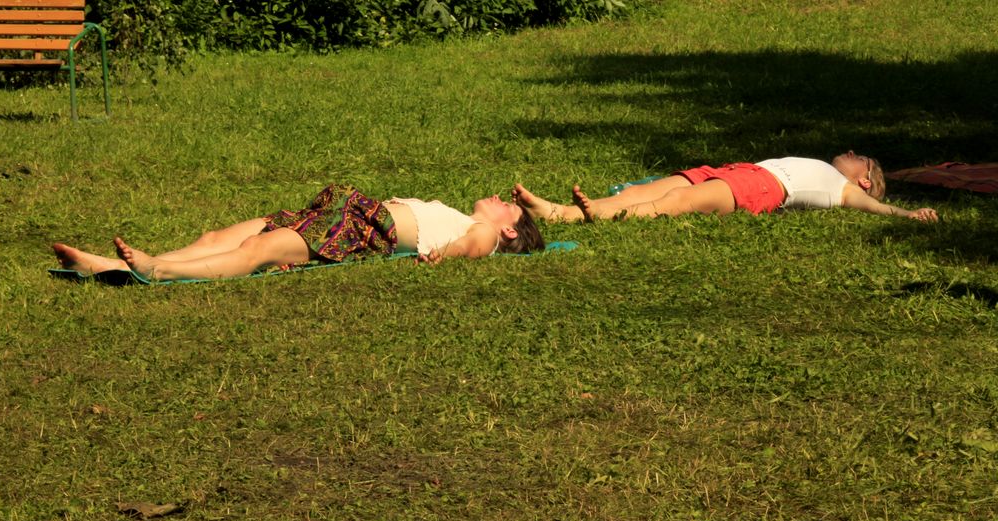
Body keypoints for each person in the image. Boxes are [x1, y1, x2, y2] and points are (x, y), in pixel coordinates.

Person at [52, 183, 545, 280]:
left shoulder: (479, 230)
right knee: (215, 237)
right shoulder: (469, 215)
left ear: (509, 232)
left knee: (259, 248)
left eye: (510, 208)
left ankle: (157, 270)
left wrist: (451, 254)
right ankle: (111, 265)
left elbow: (473, 245)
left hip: (364, 229)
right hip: (346, 212)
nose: (501, 201)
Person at [512, 151, 939, 224]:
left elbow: (876, 209)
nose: (850, 152)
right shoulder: (827, 169)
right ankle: (558, 212)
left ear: (864, 178)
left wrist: (907, 213)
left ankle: (601, 214)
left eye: (859, 156)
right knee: (645, 190)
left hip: (764, 187)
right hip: (740, 170)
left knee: (678, 201)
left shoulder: (847, 190)